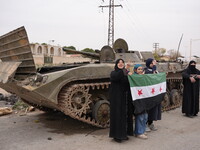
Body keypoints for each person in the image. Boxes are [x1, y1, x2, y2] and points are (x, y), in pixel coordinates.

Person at [109, 59, 133, 143]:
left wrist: (131, 75)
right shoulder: (114, 73)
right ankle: (117, 136)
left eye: (122, 62)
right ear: (116, 64)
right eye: (119, 62)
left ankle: (123, 134)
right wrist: (125, 70)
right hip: (116, 98)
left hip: (124, 97)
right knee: (117, 116)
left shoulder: (125, 73)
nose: (121, 64)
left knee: (124, 116)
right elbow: (117, 77)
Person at [144, 58, 161, 131]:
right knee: (147, 109)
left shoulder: (155, 70)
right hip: (147, 93)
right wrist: (154, 67)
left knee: (153, 109)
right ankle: (145, 124)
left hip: (154, 92)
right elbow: (151, 77)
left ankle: (151, 122)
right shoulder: (145, 70)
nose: (154, 64)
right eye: (152, 63)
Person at [133, 64, 148, 139]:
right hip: (138, 99)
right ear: (135, 70)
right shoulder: (134, 77)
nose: (140, 70)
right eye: (139, 69)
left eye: (141, 69)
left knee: (145, 116)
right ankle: (139, 132)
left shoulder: (143, 76)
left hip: (143, 98)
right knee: (140, 116)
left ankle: (143, 130)